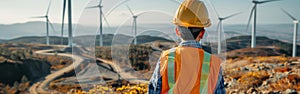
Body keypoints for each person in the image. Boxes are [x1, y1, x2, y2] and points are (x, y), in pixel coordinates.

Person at [148, 0, 226, 93]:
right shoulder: (214, 64)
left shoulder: (166, 58)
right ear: (202, 33)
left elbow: (154, 90)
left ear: (177, 31)